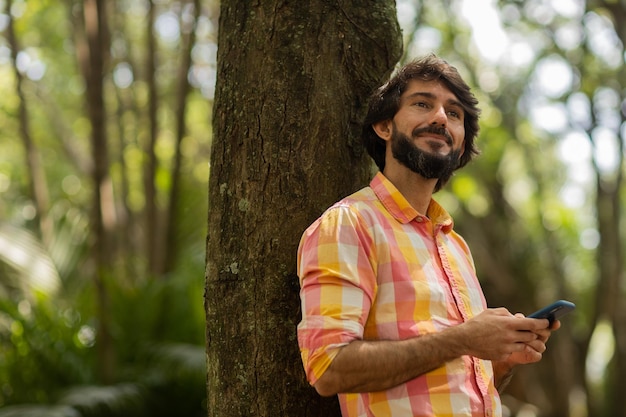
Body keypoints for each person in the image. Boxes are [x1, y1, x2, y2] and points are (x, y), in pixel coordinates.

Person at [296, 54, 560, 417]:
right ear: (384, 126)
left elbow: (451, 386)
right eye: (422, 104)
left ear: (462, 143)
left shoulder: (455, 246)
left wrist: (499, 361)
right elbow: (329, 368)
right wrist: (464, 339)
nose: (440, 117)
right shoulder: (349, 225)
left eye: (454, 114)